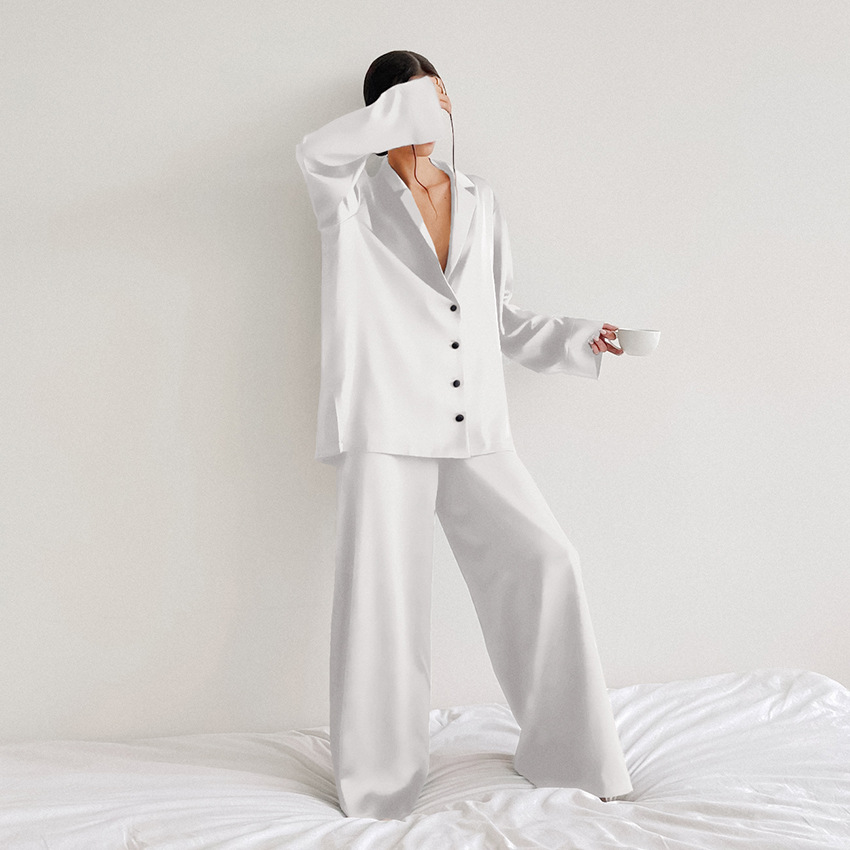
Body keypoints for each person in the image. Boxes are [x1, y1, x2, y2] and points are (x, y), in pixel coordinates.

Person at [295, 50, 632, 821]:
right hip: (385, 426)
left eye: (441, 95)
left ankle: (570, 755)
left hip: (472, 421)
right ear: (384, 112)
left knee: (548, 561)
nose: (438, 109)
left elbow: (500, 317)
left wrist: (581, 337)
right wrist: (399, 113)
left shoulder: (481, 199)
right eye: (419, 99)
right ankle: (379, 788)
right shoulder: (349, 195)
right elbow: (313, 151)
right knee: (382, 604)